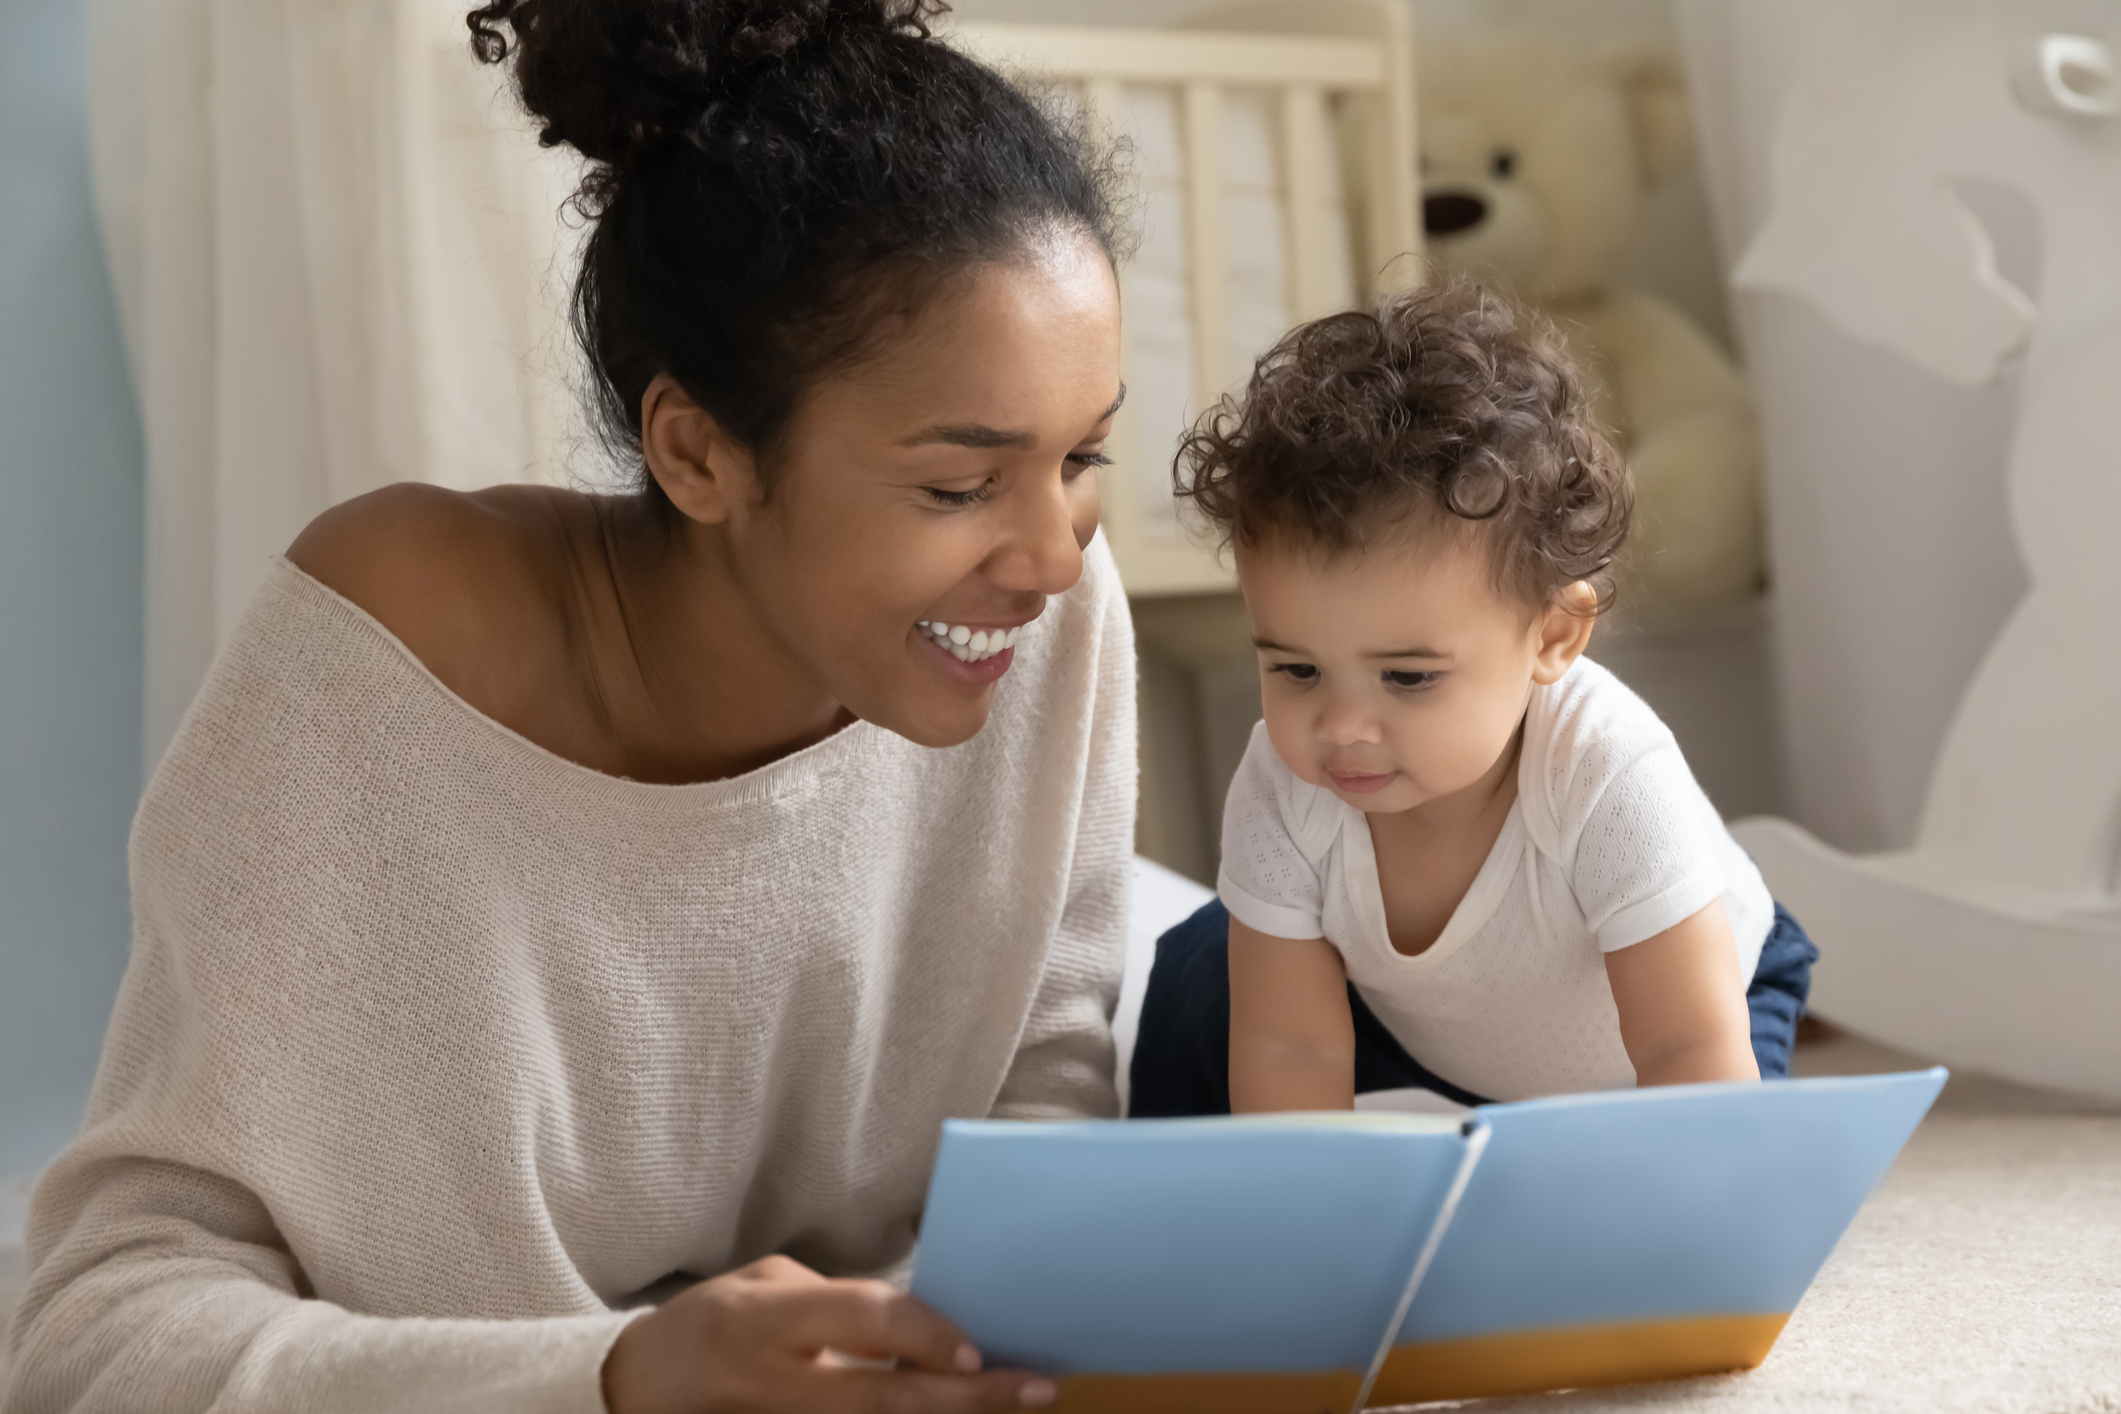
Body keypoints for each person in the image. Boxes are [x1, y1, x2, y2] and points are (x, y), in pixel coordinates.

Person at [7, 3, 1133, 1411]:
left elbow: (1051, 1113)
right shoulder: (393, 654)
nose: (1050, 552)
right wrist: (613, 1377)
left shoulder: (1045, 623)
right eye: (958, 485)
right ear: (696, 451)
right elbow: (90, 1333)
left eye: (1084, 454)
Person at [1128, 283, 1816, 1118]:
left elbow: (1685, 1046)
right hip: (1437, 1039)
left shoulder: (1605, 772)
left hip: (1690, 1025)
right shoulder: (1283, 787)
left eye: (1408, 677)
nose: (1339, 727)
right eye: (1296, 670)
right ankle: (1173, 1189)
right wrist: (1309, 1209)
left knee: (1657, 1196)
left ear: (1553, 637)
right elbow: (1293, 1047)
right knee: (1208, 961)